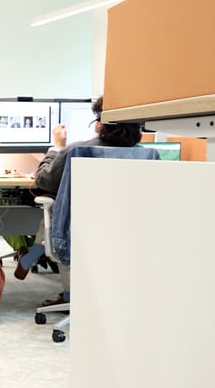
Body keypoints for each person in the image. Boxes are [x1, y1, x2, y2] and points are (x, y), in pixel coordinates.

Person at [13, 96, 142, 306]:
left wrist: (56, 147)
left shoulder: (78, 150)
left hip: (77, 229)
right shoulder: (148, 156)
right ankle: (29, 258)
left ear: (100, 123)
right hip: (127, 231)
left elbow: (43, 180)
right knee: (57, 215)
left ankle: (63, 292)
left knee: (58, 215)